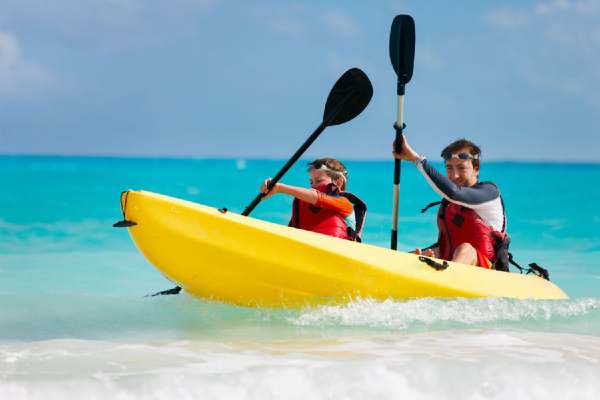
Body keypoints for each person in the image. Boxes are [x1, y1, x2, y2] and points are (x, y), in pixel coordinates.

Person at [393, 137, 509, 270]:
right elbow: (444, 246)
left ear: (476, 169)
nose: (454, 176)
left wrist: (416, 159)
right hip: (452, 264)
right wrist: (417, 258)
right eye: (449, 168)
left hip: (486, 273)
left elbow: (455, 193)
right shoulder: (449, 204)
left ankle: (446, 278)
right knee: (409, 258)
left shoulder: (489, 193)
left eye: (461, 168)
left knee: (466, 249)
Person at [260, 158, 367, 241]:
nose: (314, 186)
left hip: (338, 255)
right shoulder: (307, 204)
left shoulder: (344, 203)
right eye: (311, 182)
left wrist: (279, 188)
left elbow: (318, 198)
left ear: (338, 182)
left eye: (319, 181)